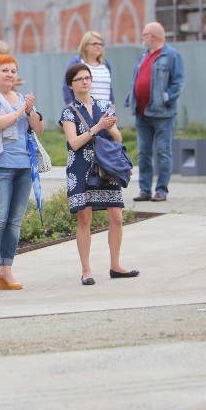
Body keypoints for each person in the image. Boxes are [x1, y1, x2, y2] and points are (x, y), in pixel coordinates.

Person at [60, 63, 138, 285]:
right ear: (71, 85)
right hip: (81, 168)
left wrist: (110, 127)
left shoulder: (104, 105)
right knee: (85, 219)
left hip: (106, 166)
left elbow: (118, 139)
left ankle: (116, 265)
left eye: (87, 77)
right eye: (79, 79)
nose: (85, 82)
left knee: (117, 217)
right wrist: (96, 127)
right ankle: (86, 270)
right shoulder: (69, 111)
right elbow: (74, 143)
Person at [0, 54, 42, 294]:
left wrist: (30, 111)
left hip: (23, 166)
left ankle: (6, 269)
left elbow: (39, 128)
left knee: (14, 221)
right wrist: (18, 112)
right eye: (4, 70)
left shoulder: (22, 99)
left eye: (13, 71)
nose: (9, 74)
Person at [124, 22, 185, 202]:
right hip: (142, 113)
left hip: (162, 114)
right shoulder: (143, 55)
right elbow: (138, 79)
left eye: (144, 35)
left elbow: (178, 82)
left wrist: (165, 98)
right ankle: (144, 190)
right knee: (143, 153)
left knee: (163, 152)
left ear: (152, 36)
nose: (142, 38)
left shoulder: (172, 55)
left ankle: (161, 190)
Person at [62, 31, 115, 108]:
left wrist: (113, 105)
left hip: (106, 110)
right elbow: (66, 85)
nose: (99, 46)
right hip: (85, 110)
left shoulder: (105, 64)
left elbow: (108, 87)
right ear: (85, 46)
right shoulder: (77, 62)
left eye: (101, 44)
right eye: (95, 44)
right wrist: (71, 106)